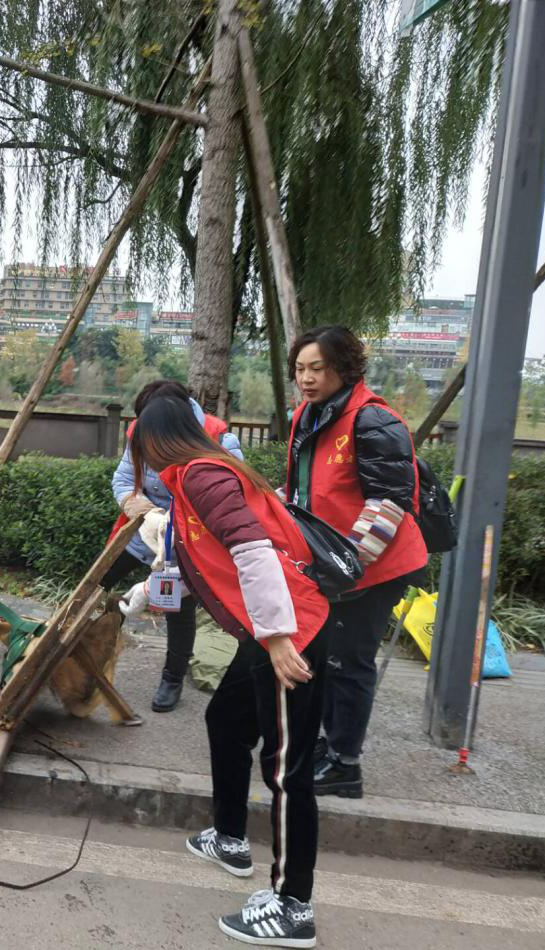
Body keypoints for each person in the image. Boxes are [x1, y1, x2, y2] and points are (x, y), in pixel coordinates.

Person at [131, 396, 330, 948]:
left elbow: (253, 551)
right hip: (267, 630)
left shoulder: (203, 475)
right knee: (224, 720)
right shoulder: (195, 476)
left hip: (290, 631)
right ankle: (230, 836)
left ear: (156, 441)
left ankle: (294, 907)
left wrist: (279, 638)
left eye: (141, 449)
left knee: (287, 771)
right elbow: (208, 562)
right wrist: (143, 593)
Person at [285, 326, 428, 799]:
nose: (306, 378)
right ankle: (330, 745)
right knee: (327, 657)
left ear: (344, 369)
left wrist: (346, 567)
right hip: (332, 561)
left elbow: (389, 503)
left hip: (373, 563)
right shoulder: (309, 414)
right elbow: (306, 490)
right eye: (300, 369)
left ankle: (345, 764)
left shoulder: (373, 420)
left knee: (349, 661)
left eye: (317, 368)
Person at [104, 379, 245, 712]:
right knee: (98, 584)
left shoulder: (220, 441)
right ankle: (94, 651)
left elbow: (231, 501)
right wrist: (146, 512)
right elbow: (123, 480)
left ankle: (172, 678)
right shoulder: (142, 432)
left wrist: (177, 523)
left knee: (177, 607)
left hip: (188, 543)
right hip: (144, 533)